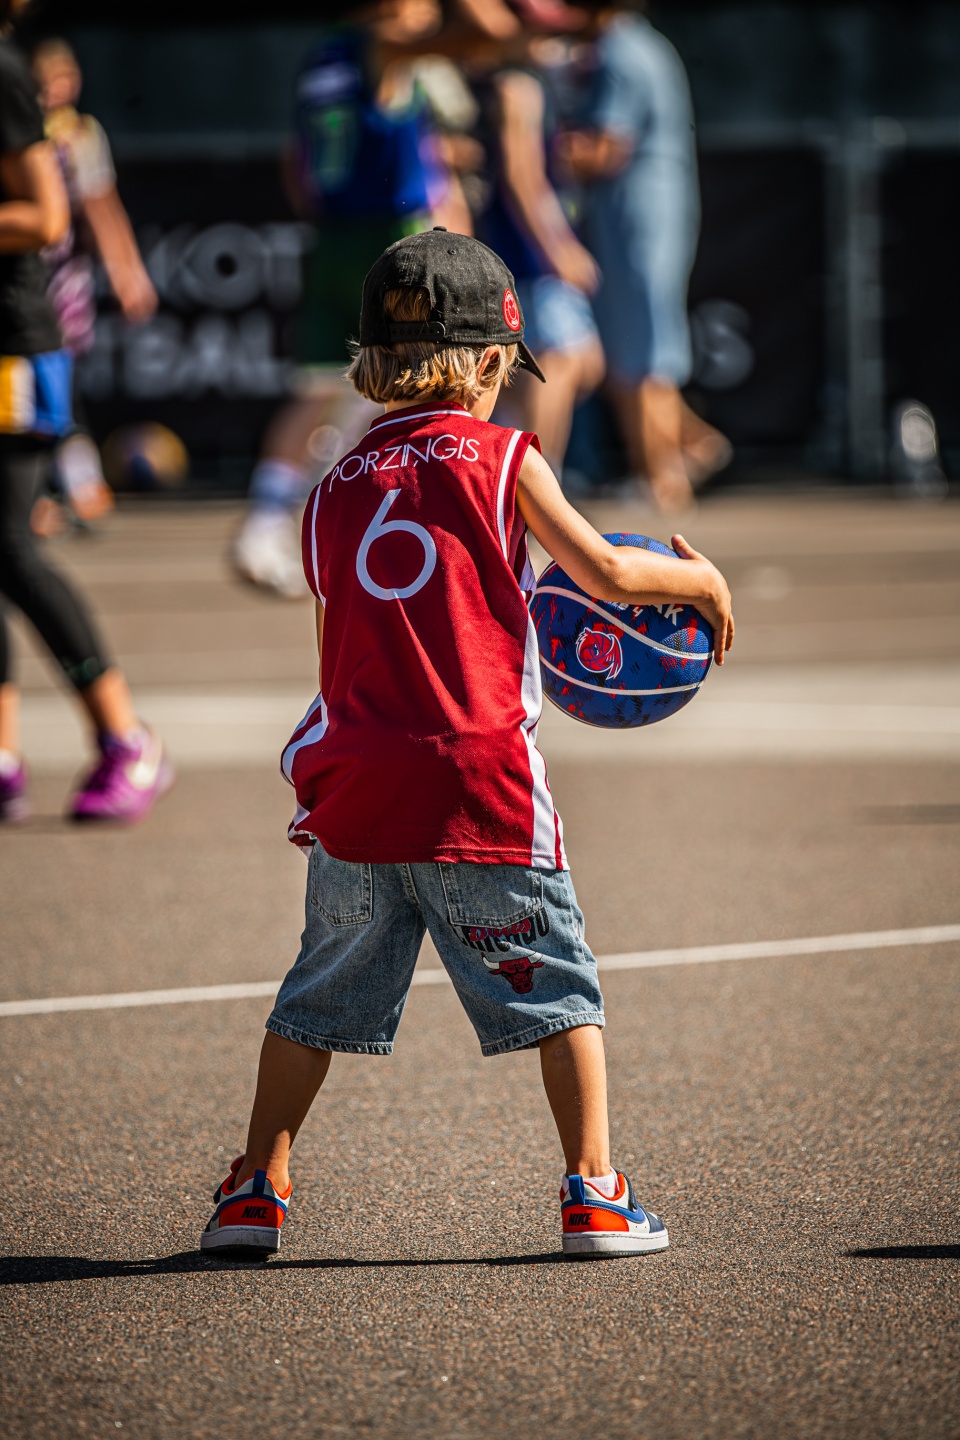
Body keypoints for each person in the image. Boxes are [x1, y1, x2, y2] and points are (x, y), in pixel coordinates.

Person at [199, 229, 733, 1256]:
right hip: (479, 783)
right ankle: (595, 1193)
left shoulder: (333, 484)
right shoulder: (504, 458)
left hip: (357, 786)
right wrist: (700, 583)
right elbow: (605, 574)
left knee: (312, 1002)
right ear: (489, 362)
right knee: (564, 992)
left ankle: (255, 1189)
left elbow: (336, 652)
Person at [0, 0, 172, 823]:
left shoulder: (3, 74)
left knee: (11, 547)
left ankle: (126, 740)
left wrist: (128, 270)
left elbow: (47, 212)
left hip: (11, 349)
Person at [231, 0, 455, 599]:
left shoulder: (323, 53)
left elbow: (296, 160)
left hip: (334, 236)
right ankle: (429, 528)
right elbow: (488, 38)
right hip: (390, 233)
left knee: (322, 386)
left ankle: (265, 524)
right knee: (422, 382)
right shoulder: (383, 44)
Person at [556, 0, 730, 510]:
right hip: (633, 213)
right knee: (632, 344)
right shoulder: (633, 45)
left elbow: (605, 148)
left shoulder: (622, 53)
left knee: (642, 347)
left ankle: (660, 478)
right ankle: (694, 444)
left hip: (637, 215)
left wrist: (524, 142)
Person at [28, 37, 157, 534]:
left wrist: (129, 272)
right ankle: (56, 489)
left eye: (66, 78)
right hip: (23, 277)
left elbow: (104, 208)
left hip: (61, 284)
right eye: (48, 80)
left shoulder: (80, 135)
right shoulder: (20, 128)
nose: (58, 89)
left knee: (53, 379)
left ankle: (76, 486)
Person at [473, 0, 606, 478]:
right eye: (539, 32)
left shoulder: (526, 83)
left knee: (578, 363)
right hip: (526, 256)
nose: (551, 43)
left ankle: (509, 478)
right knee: (559, 360)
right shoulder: (517, 87)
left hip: (522, 252)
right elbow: (521, 177)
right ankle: (533, 486)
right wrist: (559, 248)